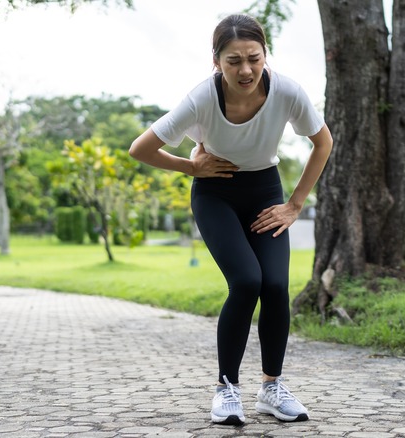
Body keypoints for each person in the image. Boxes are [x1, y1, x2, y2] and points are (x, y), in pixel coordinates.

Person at [129, 14, 333, 425]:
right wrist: (192, 169)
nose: (246, 70)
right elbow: (141, 148)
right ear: (216, 62)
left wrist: (294, 204)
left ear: (264, 55)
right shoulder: (202, 98)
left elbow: (323, 142)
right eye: (234, 60)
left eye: (254, 59)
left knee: (275, 285)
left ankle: (271, 389)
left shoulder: (287, 91)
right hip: (216, 194)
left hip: (266, 193)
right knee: (246, 281)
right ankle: (227, 389)